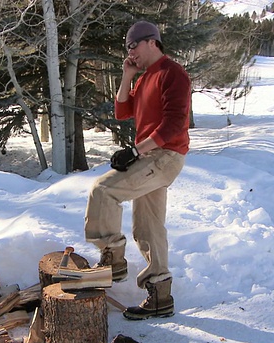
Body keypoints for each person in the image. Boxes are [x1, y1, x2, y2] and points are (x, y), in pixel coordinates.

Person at [84, 20, 191, 320]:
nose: (130, 53)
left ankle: (112, 261)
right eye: (127, 48)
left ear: (152, 42)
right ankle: (160, 296)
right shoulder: (144, 78)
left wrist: (135, 151)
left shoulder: (173, 74)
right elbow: (122, 111)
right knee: (148, 226)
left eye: (133, 46)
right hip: (150, 155)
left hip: (164, 155)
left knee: (104, 190)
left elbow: (172, 125)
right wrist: (127, 76)